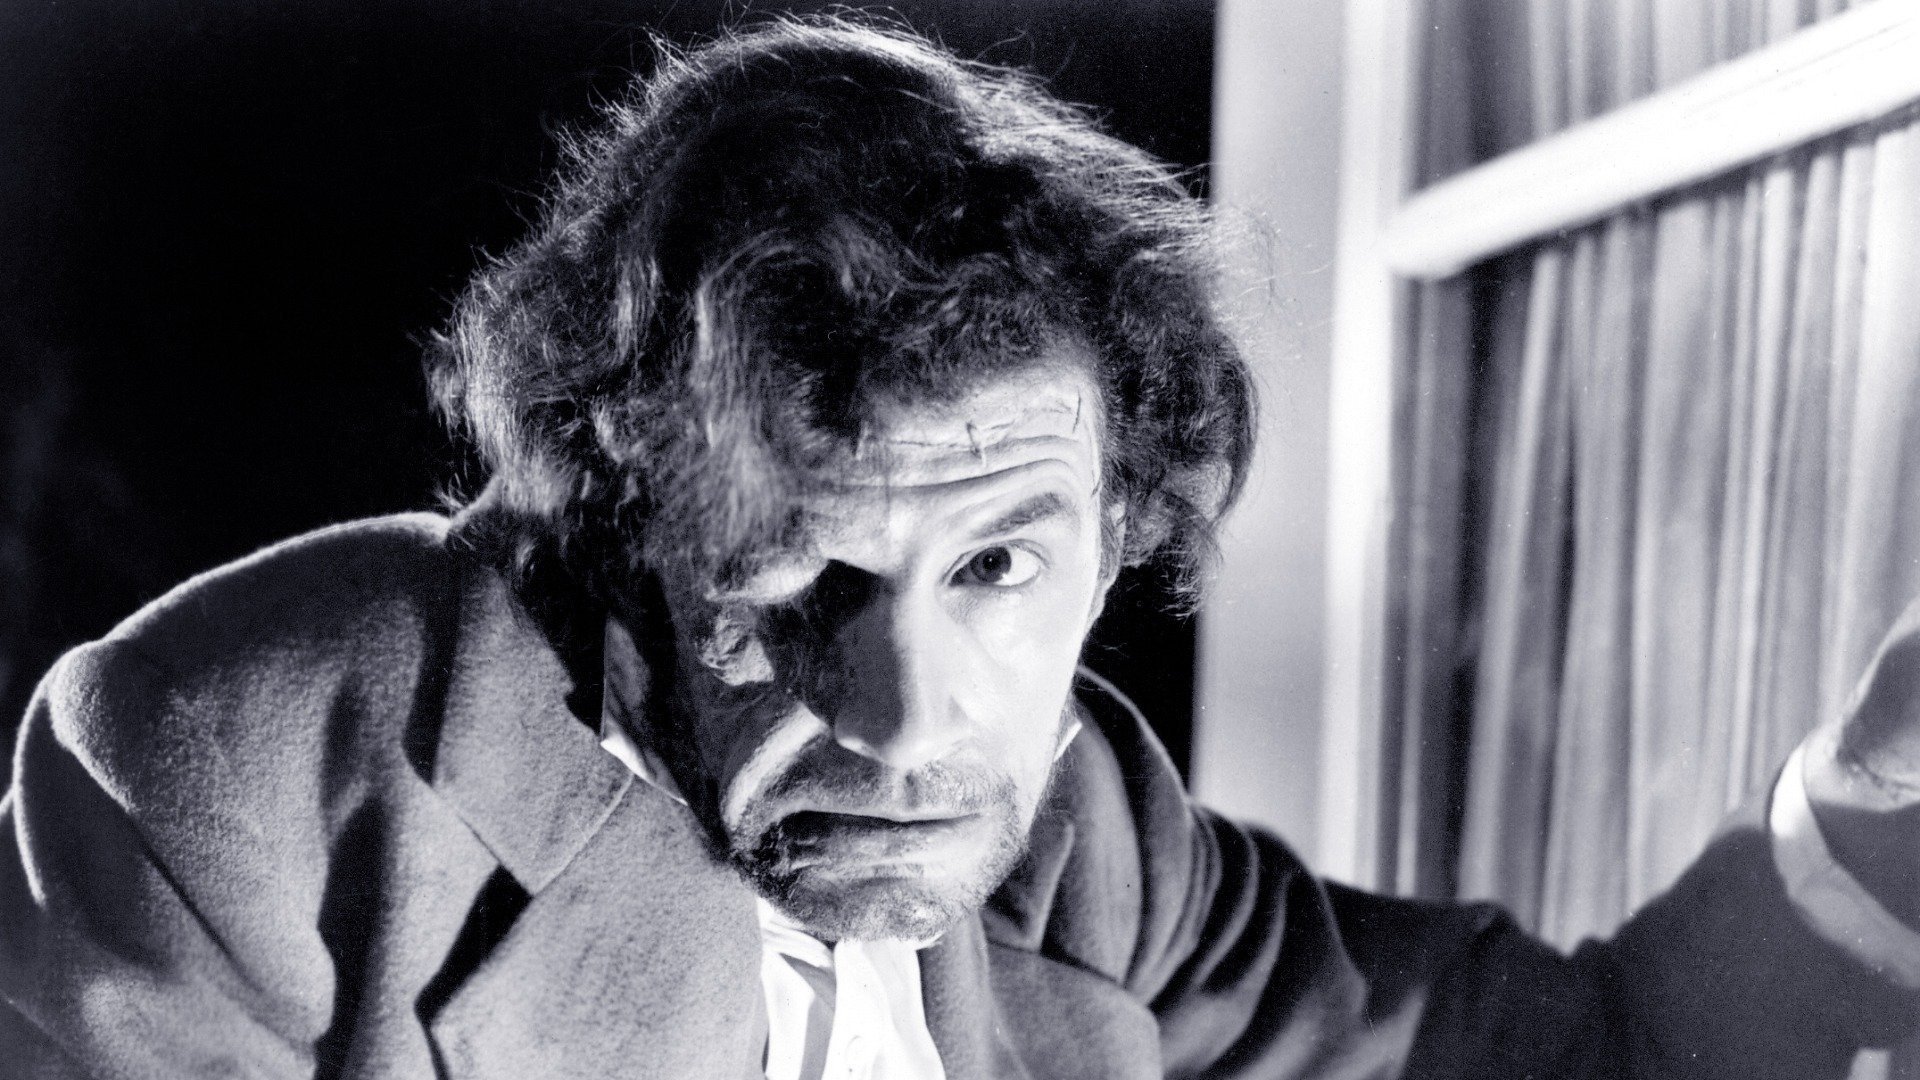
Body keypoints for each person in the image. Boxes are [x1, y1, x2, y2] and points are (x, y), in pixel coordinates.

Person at [1, 17, 1915, 1080]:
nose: (912, 722)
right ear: (613, 526)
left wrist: (1868, 804)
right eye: (796, 578)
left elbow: (1578, 1052)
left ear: (1119, 534)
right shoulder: (243, 776)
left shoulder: (1089, 838)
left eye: (998, 566)